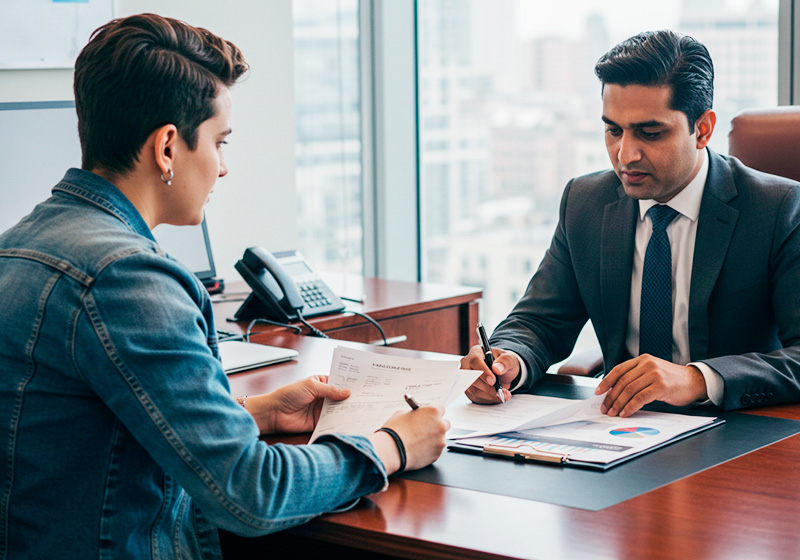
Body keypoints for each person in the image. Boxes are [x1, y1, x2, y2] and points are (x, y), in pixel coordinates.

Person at [0, 13, 448, 559]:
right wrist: (393, 445)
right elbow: (250, 493)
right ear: (167, 148)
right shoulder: (130, 279)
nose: (223, 168)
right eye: (220, 142)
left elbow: (89, 426)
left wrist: (258, 413)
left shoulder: (17, 244)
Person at [463, 30, 800, 418]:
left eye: (650, 133)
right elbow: (540, 321)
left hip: (738, 433)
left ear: (703, 129)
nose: (625, 154)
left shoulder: (777, 209)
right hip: (618, 429)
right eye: (613, 130)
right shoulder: (586, 202)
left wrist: (696, 379)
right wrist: (507, 363)